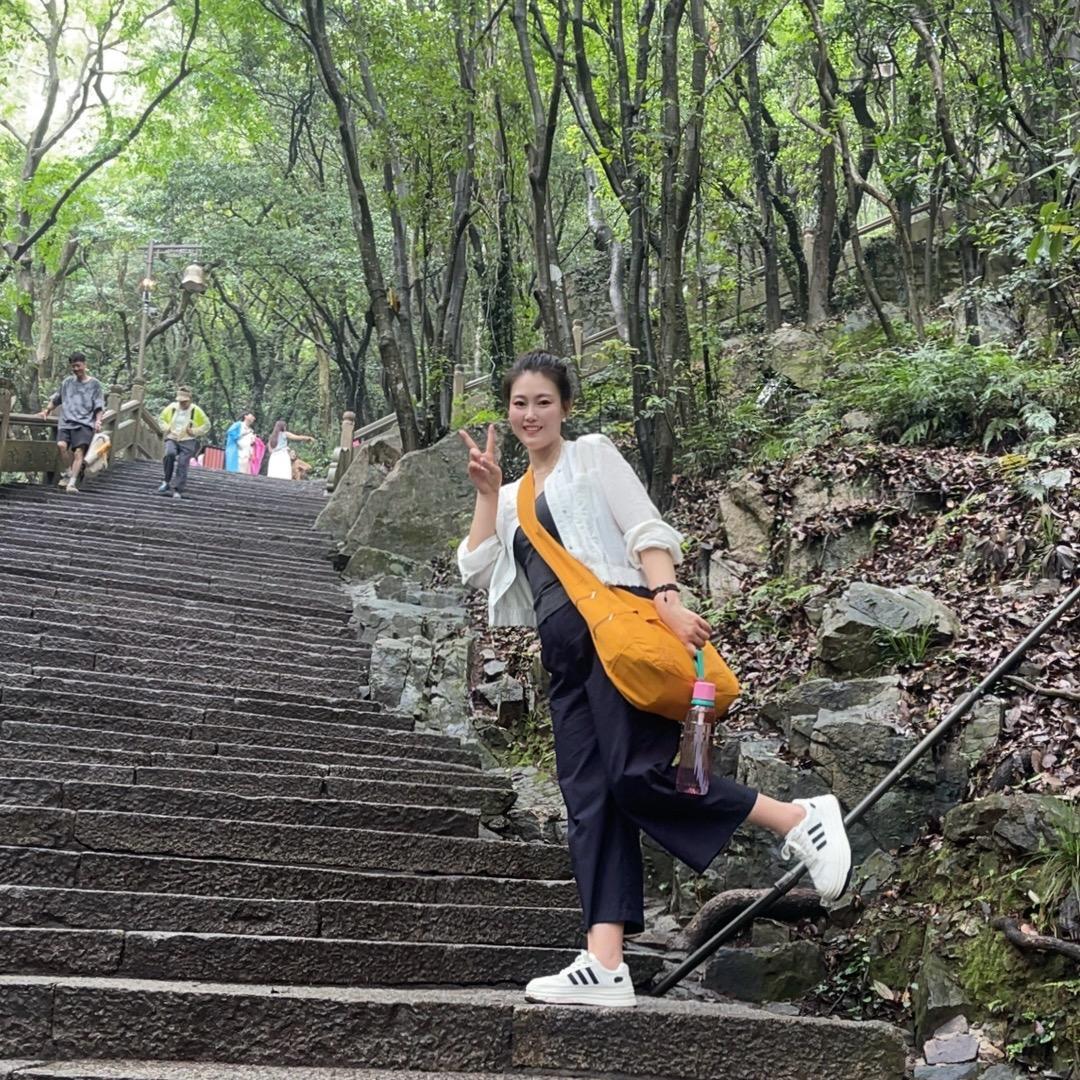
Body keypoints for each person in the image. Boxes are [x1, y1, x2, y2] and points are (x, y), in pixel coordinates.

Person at [457, 350, 852, 1009]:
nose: (530, 414)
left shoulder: (591, 457)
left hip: (620, 638)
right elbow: (475, 567)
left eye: (543, 401)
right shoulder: (511, 498)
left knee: (634, 777)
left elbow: (645, 528)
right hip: (563, 658)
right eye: (520, 403)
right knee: (588, 800)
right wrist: (484, 492)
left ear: (565, 407)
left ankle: (796, 817)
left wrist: (667, 596)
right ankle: (605, 962)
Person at [40, 352, 105, 494]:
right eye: (73, 366)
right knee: (61, 446)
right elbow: (57, 399)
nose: (76, 369)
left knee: (79, 452)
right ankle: (68, 471)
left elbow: (99, 405)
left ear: (85, 365)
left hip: (84, 423)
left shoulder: (94, 384)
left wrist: (98, 421)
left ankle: (72, 483)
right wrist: (47, 410)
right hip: (66, 422)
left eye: (78, 366)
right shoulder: (67, 382)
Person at [157, 386, 210, 500]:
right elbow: (161, 419)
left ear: (190, 400)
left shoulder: (196, 410)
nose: (182, 403)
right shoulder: (172, 407)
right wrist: (167, 428)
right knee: (169, 454)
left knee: (182, 463)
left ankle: (178, 489)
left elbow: (206, 425)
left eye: (184, 401)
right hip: (172, 437)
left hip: (188, 439)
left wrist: (194, 431)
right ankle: (166, 481)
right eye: (180, 401)